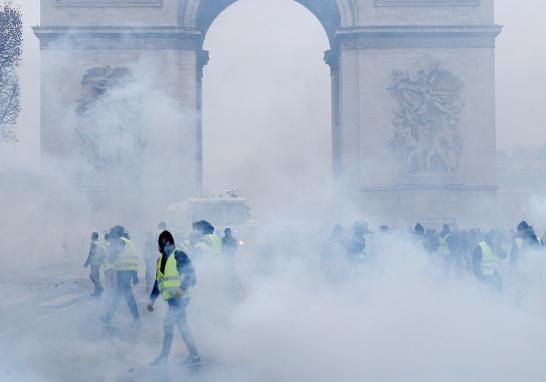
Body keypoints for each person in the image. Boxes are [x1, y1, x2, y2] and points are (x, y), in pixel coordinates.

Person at [148, 230, 201, 367]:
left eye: (168, 241)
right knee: (183, 328)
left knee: (168, 324)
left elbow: (192, 275)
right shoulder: (160, 260)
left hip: (181, 299)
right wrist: (152, 299)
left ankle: (164, 358)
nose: (166, 244)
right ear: (159, 245)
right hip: (172, 300)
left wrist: (182, 289)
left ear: (172, 242)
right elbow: (158, 281)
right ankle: (195, 356)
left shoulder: (179, 256)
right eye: (162, 242)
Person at [100, 225, 140, 327]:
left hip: (123, 271)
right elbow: (134, 258)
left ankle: (109, 317)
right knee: (124, 295)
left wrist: (109, 255)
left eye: (112, 232)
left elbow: (113, 257)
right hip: (129, 271)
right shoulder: (128, 241)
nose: (111, 235)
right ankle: (110, 316)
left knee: (122, 295)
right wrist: (135, 274)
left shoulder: (119, 241)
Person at [84, 232, 104, 297]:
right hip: (98, 262)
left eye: (91, 235)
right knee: (96, 277)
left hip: (95, 262)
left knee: (92, 276)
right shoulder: (99, 243)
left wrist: (87, 262)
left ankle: (99, 288)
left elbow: (91, 254)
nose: (91, 236)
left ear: (93, 236)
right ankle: (97, 292)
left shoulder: (94, 243)